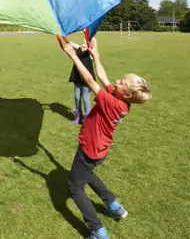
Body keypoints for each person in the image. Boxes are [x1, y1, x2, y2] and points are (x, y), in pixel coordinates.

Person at [63, 42, 152, 239]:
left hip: (90, 148)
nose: (117, 81)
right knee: (87, 174)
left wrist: (74, 56)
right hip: (100, 149)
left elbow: (90, 80)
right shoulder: (122, 102)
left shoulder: (110, 102)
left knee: (75, 186)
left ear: (126, 93)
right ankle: (114, 206)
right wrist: (96, 57)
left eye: (121, 82)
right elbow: (102, 78)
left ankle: (97, 231)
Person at [68, 37, 98, 125]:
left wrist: (90, 38)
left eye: (86, 43)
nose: (83, 44)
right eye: (83, 43)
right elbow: (70, 43)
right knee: (77, 97)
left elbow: (92, 50)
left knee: (85, 98)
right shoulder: (79, 49)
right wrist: (63, 35)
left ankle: (87, 118)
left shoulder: (92, 53)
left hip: (87, 78)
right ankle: (78, 116)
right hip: (77, 77)